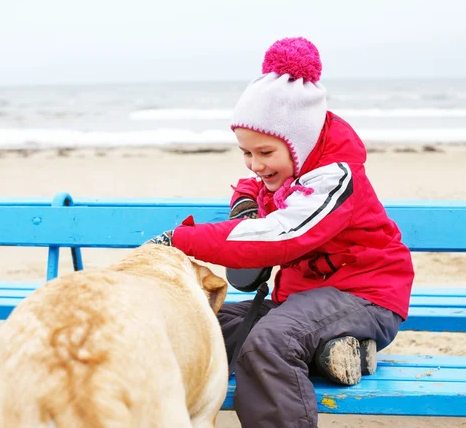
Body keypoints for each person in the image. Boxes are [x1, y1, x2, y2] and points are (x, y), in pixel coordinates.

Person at [149, 36, 414, 428]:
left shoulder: (334, 178)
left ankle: (333, 349)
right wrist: (245, 199)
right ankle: (336, 353)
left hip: (365, 295)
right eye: (246, 152)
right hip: (300, 301)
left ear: (300, 143)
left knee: (270, 343)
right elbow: (257, 188)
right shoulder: (288, 172)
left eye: (265, 152)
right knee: (199, 324)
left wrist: (181, 239)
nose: (254, 164)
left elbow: (281, 235)